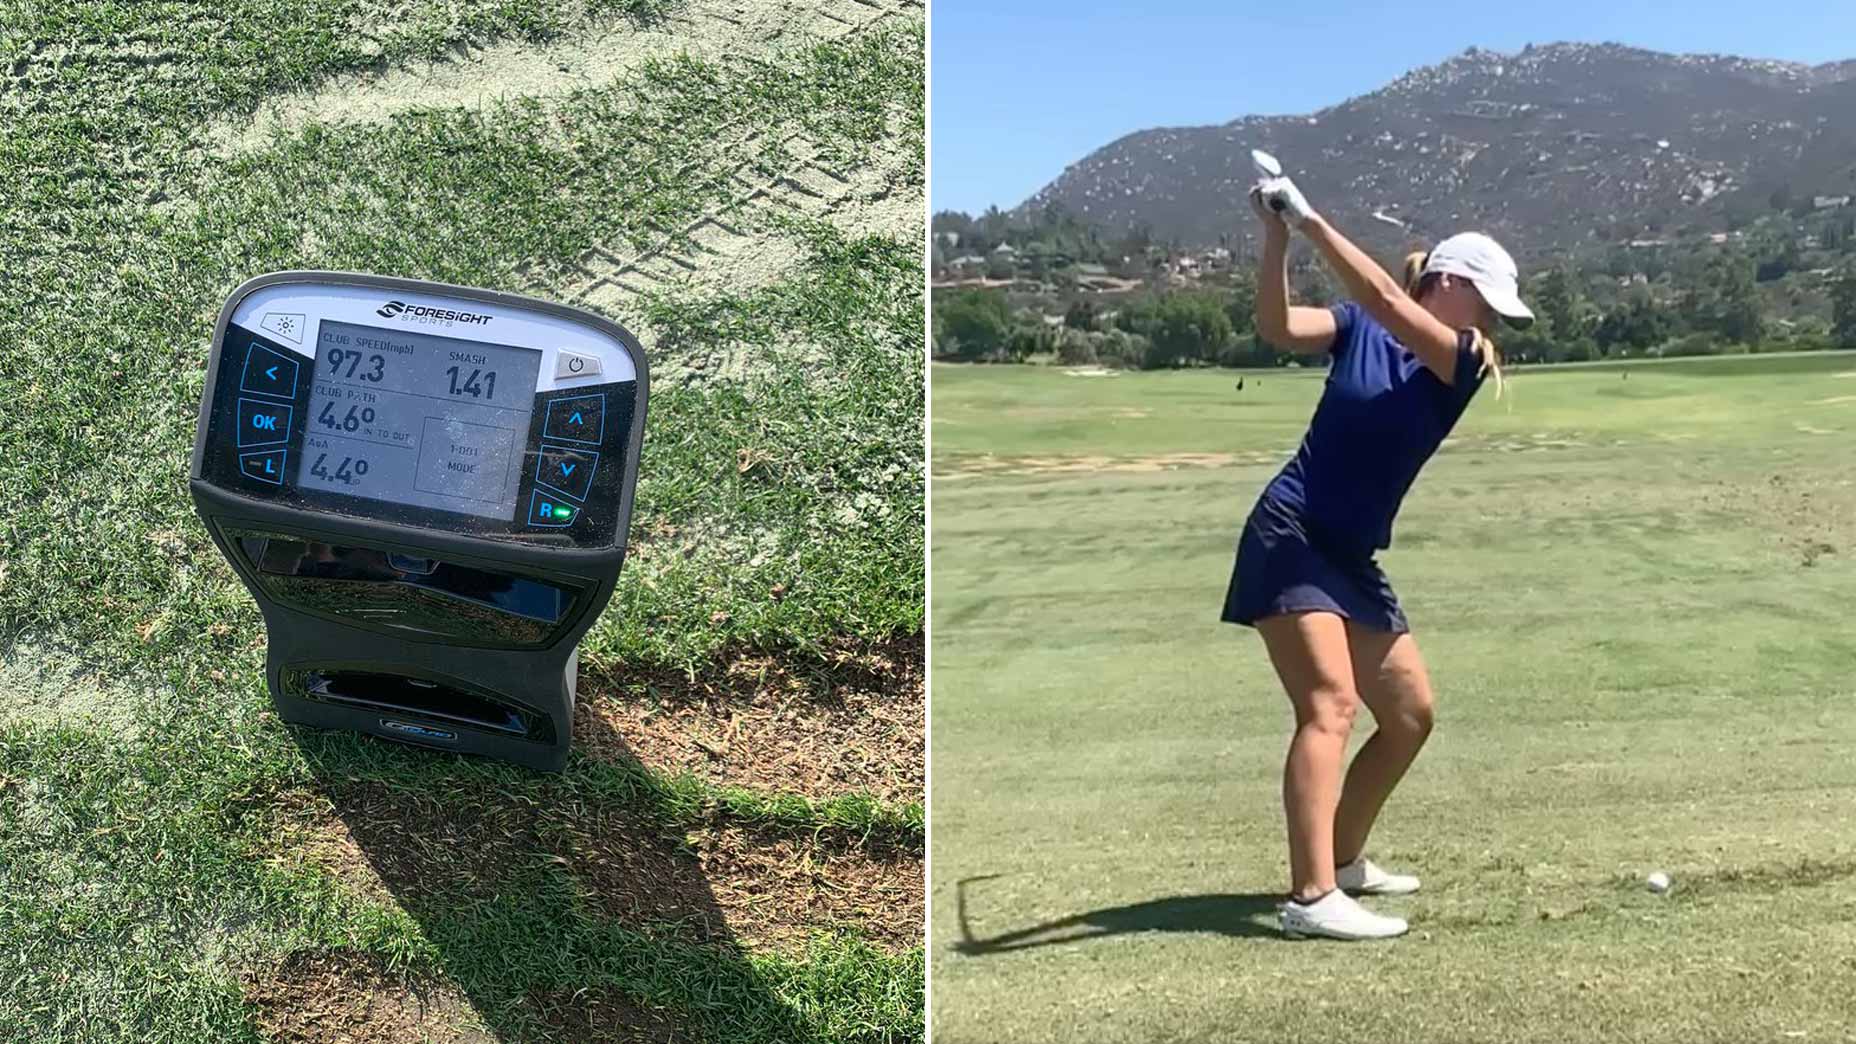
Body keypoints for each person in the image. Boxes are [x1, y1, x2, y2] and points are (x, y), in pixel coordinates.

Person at [1226, 173, 1534, 940]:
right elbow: (1275, 326)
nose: (1495, 320)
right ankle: (1311, 898)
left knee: (1407, 715)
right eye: (1488, 300)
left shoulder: (1463, 357)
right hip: (1291, 533)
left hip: (1350, 554)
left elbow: (1390, 305)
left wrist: (1311, 219)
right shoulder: (1355, 329)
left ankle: (1344, 857)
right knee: (1329, 704)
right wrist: (1276, 236)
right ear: (1451, 282)